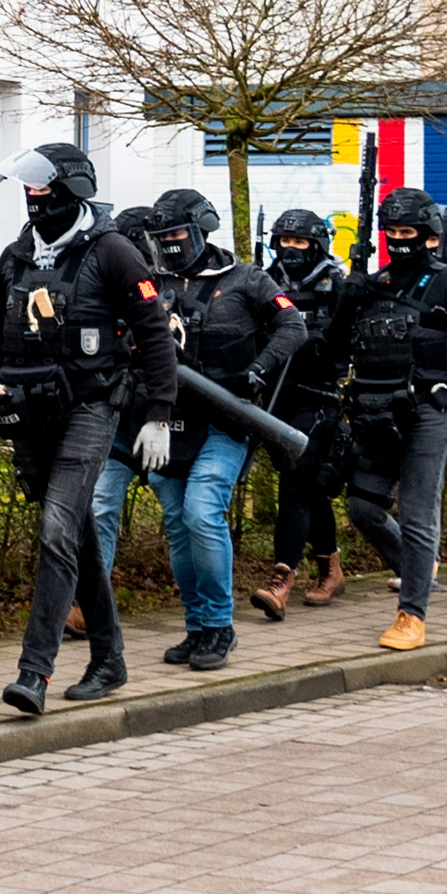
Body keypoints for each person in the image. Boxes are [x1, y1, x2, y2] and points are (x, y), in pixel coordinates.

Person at [0, 145, 176, 714]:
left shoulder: (113, 252)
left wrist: (159, 413)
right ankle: (109, 659)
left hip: (91, 408)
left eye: (44, 192)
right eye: (27, 193)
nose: (35, 202)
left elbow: (154, 333)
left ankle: (34, 673)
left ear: (72, 192)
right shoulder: (15, 256)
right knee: (75, 533)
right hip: (31, 411)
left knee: (57, 531)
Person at [321, 187, 447, 651]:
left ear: (429, 236)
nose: (398, 240)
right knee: (363, 509)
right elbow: (331, 351)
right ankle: (417, 567)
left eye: (407, 232)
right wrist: (348, 300)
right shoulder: (373, 284)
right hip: (372, 411)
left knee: (418, 513)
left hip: (427, 412)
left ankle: (412, 613)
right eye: (391, 233)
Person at [131, 189, 305, 670]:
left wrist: (260, 367)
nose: (168, 244)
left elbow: (294, 327)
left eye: (177, 235)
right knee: (176, 522)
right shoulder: (152, 283)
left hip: (227, 420)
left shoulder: (248, 279)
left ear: (202, 228)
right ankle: (196, 627)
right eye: (159, 237)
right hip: (167, 420)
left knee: (203, 511)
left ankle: (219, 626)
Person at [249, 208, 353, 617]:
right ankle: (331, 567)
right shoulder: (265, 281)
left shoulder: (337, 285)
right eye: (285, 242)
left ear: (317, 244)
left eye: (301, 242)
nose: (291, 249)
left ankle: (281, 580)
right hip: (278, 397)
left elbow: (349, 339)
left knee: (296, 484)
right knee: (304, 486)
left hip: (320, 398)